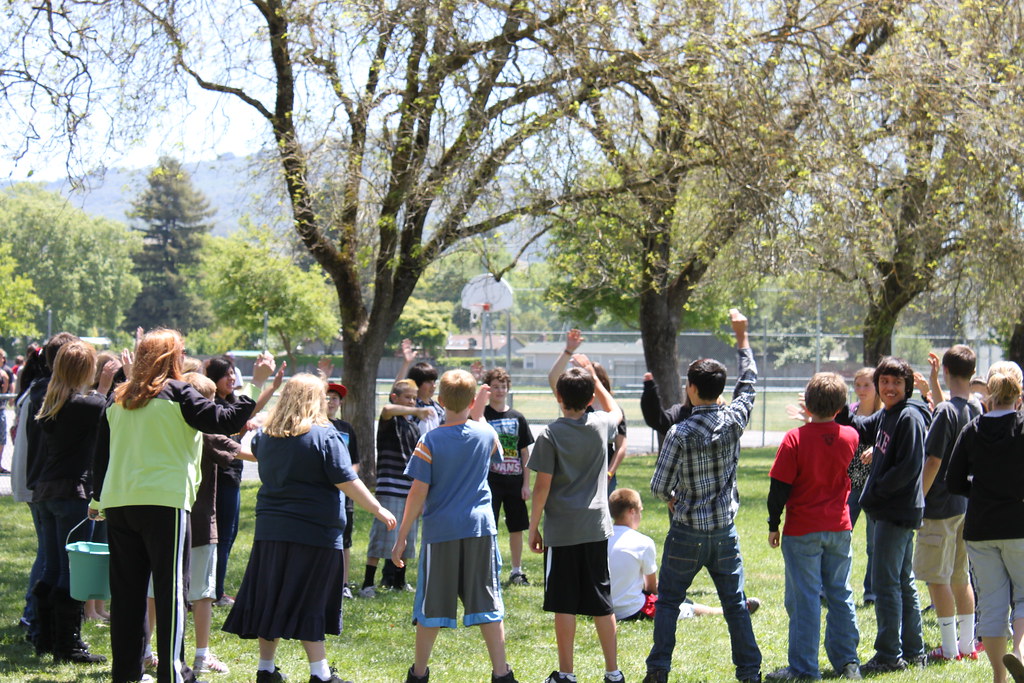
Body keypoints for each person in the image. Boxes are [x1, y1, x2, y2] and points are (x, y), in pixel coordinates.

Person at [91, 329, 256, 683]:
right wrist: (252, 387)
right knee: (170, 591)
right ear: (173, 358)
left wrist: (95, 498)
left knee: (126, 594)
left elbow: (100, 454)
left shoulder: (118, 396)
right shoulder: (180, 393)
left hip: (119, 501)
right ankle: (171, 672)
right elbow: (227, 420)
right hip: (164, 502)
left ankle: (127, 673)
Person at [222, 373, 397, 683]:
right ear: (314, 400)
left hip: (271, 531)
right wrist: (377, 508)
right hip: (316, 533)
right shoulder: (325, 437)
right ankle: (320, 673)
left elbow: (254, 453)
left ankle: (266, 669)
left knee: (270, 597)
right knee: (311, 601)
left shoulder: (267, 436)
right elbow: (347, 480)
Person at [643, 308, 762, 683]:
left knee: (668, 603)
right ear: (719, 391)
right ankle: (749, 671)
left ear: (691, 389)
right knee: (735, 605)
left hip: (686, 532)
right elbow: (750, 382)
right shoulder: (735, 419)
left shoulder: (679, 432)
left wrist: (672, 498)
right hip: (724, 530)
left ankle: (659, 670)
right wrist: (742, 339)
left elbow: (659, 486)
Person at [392, 369, 518, 683]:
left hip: (441, 532)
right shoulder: (487, 434)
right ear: (474, 399)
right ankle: (501, 673)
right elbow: (480, 437)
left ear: (440, 400)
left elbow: (418, 491)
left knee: (431, 605)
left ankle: (419, 673)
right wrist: (479, 407)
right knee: (488, 602)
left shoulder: (429, 440)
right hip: (479, 529)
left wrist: (402, 536)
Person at [529, 332, 625, 683]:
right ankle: (613, 672)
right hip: (597, 528)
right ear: (589, 401)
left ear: (558, 397)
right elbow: (615, 410)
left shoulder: (550, 434)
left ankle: (566, 674)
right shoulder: (601, 424)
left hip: (563, 531)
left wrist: (533, 527)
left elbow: (542, 487)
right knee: (602, 601)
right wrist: (596, 379)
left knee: (564, 603)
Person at [836, 356, 931, 673]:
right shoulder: (887, 415)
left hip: (896, 511)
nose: (890, 387)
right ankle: (914, 650)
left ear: (908, 387)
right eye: (885, 382)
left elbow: (908, 469)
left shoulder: (908, 418)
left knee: (887, 583)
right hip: (891, 510)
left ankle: (890, 655)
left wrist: (874, 493)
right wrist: (835, 405)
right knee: (903, 581)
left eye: (896, 383)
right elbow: (859, 427)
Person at [765, 373, 861, 680]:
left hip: (803, 529)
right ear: (841, 406)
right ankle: (848, 662)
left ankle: (804, 668)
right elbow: (857, 478)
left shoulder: (794, 439)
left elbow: (779, 487)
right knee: (840, 593)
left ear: (807, 403)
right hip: (839, 526)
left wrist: (773, 523)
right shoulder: (851, 436)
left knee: (805, 598)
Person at [32, 339, 109, 665]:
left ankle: (45, 638)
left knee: (51, 566)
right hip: (71, 494)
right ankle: (68, 645)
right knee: (70, 572)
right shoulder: (86, 404)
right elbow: (112, 412)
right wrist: (106, 385)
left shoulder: (51, 401)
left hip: (46, 492)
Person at [947, 361, 1024, 683]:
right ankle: (1020, 654)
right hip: (1019, 525)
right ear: (1018, 396)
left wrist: (978, 491)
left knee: (992, 606)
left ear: (988, 395)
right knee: (1023, 598)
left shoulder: (972, 429)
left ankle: (998, 677)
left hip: (981, 528)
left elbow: (953, 482)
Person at [916, 346, 981, 661]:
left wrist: (918, 499)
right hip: (964, 505)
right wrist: (935, 382)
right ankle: (967, 645)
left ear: (946, 370)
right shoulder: (975, 408)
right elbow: (949, 408)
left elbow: (933, 460)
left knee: (936, 577)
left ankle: (948, 648)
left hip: (939, 506)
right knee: (960, 576)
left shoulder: (944, 413)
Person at [607, 488, 759, 623]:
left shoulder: (603, 540)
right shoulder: (643, 543)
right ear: (631, 512)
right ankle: (724, 611)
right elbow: (651, 588)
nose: (640, 514)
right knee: (681, 606)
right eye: (640, 510)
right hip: (630, 609)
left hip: (606, 609)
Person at [360, 379, 431, 596]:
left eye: (414, 398)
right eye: (407, 398)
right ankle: (368, 583)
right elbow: (387, 410)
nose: (412, 402)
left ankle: (400, 581)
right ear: (395, 397)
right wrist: (417, 411)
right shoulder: (388, 421)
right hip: (389, 488)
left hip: (409, 490)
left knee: (408, 536)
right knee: (382, 536)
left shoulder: (413, 428)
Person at [481, 367, 534, 586]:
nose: (500, 390)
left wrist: (526, 484)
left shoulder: (517, 417)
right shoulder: (482, 415)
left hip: (514, 481)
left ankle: (516, 570)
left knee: (516, 527)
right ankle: (488, 568)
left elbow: (525, 452)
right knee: (488, 526)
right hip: (490, 481)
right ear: (488, 389)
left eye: (503, 386)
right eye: (495, 386)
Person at [846, 367, 881, 605]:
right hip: (849, 485)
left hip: (874, 488)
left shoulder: (885, 415)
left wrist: (876, 449)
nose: (860, 390)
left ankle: (872, 592)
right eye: (857, 385)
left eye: (866, 385)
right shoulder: (849, 412)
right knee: (840, 539)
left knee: (874, 545)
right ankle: (834, 588)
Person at [326, 382, 360, 599]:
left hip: (344, 493)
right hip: (322, 493)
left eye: (335, 398)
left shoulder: (346, 428)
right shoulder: (314, 425)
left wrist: (348, 479)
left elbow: (355, 461)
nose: (330, 402)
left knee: (344, 540)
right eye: (326, 397)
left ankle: (343, 583)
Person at [397, 338, 446, 435]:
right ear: (417, 383)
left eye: (434, 381)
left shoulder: (438, 409)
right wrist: (406, 364)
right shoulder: (410, 406)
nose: (433, 385)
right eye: (428, 382)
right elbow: (397, 392)